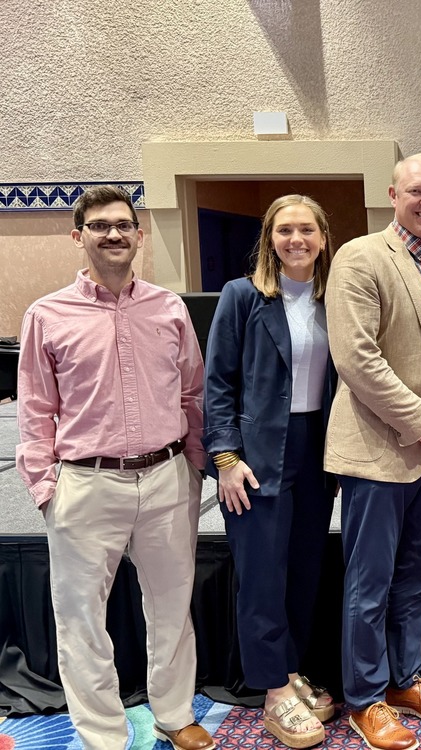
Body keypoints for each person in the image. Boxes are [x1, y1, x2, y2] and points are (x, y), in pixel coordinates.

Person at [15, 186, 213, 750]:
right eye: (100, 225)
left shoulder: (168, 307)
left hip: (167, 477)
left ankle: (175, 716)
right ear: (78, 236)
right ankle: (103, 733)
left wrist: (194, 466)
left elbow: (192, 393)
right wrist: (46, 487)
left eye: (124, 224)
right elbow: (35, 409)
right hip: (84, 482)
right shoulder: (47, 315)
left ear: (139, 234)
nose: (114, 234)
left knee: (173, 606)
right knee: (80, 618)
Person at [326, 153, 421, 750]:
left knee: (419, 575)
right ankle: (366, 699)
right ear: (393, 194)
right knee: (370, 583)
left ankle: (403, 678)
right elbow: (356, 358)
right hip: (379, 452)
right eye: (415, 190)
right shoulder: (362, 258)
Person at [202, 195, 337, 748]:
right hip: (256, 456)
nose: (296, 239)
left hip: (318, 452)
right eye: (285, 230)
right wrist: (226, 459)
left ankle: (291, 670)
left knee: (303, 570)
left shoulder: (336, 300)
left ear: (324, 238)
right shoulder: (243, 297)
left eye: (307, 230)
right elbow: (217, 384)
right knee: (261, 574)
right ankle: (272, 691)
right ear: (269, 238)